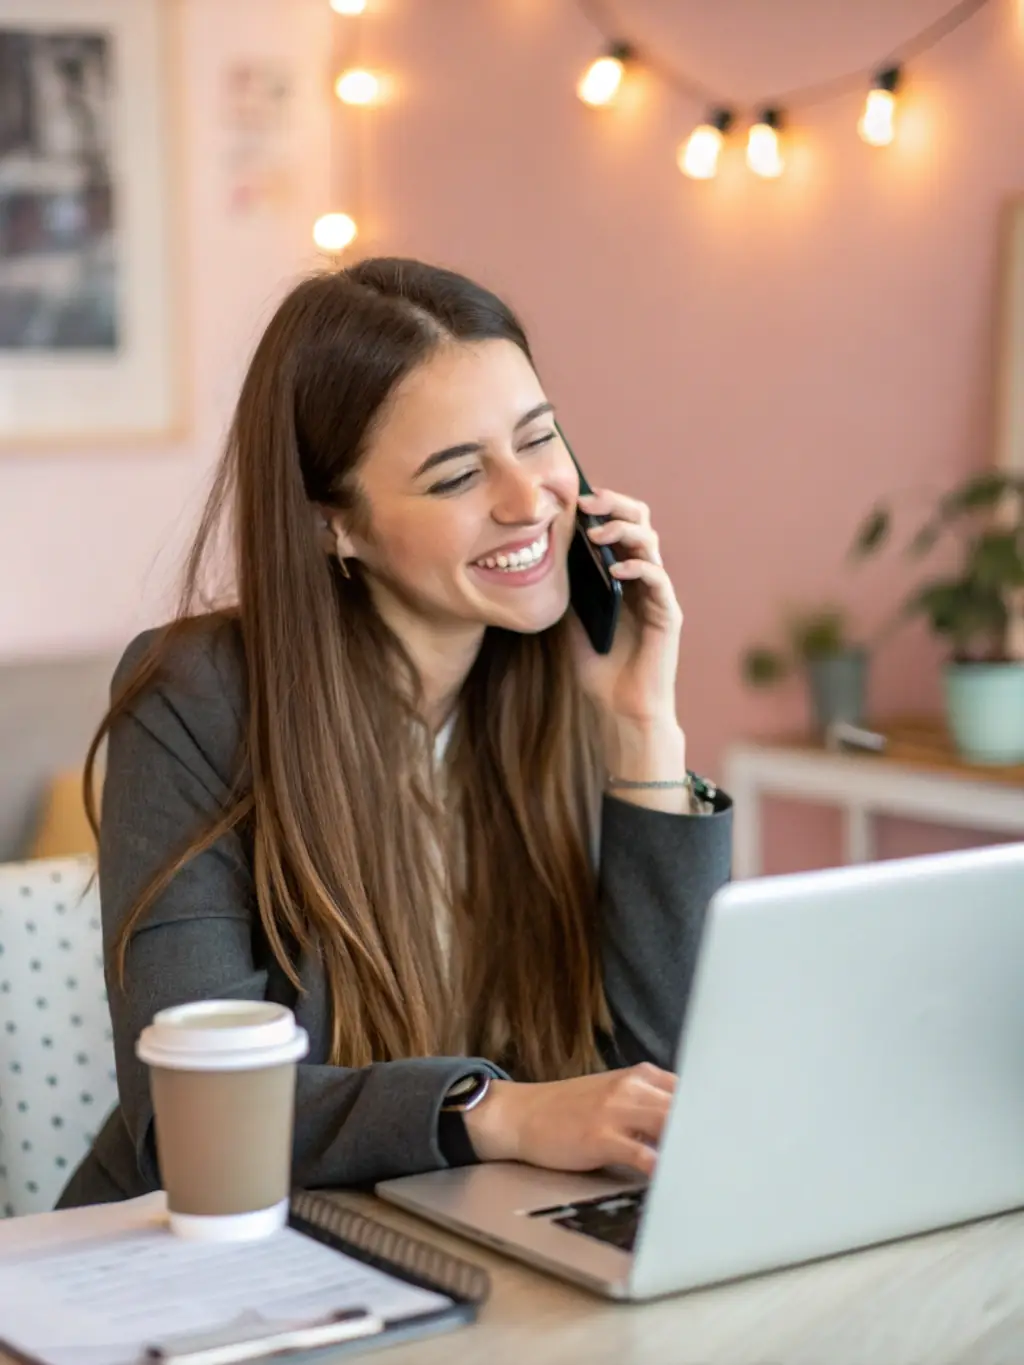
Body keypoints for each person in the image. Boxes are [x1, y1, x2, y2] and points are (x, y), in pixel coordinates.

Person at [58, 257, 732, 1208]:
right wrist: (497, 1111)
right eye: (458, 473)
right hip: (212, 1259)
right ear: (338, 527)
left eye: (536, 439)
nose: (527, 497)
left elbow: (666, 1081)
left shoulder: (567, 684)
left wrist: (643, 731)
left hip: (469, 1234)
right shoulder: (197, 698)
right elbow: (198, 1115)